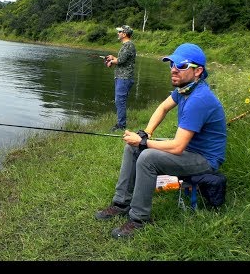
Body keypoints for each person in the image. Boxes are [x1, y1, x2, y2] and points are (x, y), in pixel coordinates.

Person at [95, 43, 227, 239]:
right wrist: (146, 133)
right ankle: (121, 203)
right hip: (189, 150)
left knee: (147, 156)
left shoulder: (199, 99)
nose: (174, 69)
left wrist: (142, 143)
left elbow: (177, 146)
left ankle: (139, 219)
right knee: (133, 149)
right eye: (172, 64)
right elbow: (162, 108)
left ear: (198, 71)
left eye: (182, 66)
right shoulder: (185, 89)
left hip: (204, 160)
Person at [105, 25, 136, 132]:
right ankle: (121, 123)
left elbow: (121, 61)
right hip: (121, 77)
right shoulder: (126, 45)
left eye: (120, 32)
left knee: (120, 101)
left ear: (124, 34)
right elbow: (122, 59)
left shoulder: (129, 45)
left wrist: (111, 61)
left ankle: (121, 125)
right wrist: (113, 58)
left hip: (124, 78)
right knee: (120, 101)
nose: (118, 33)